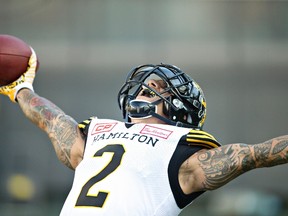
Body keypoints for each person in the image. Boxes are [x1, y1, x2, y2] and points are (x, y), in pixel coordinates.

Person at [0, 47, 287, 216]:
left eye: (158, 88)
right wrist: (21, 88)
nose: (145, 88)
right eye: (143, 86)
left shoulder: (181, 152)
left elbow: (256, 155)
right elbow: (52, 121)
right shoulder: (98, 133)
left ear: (180, 108)